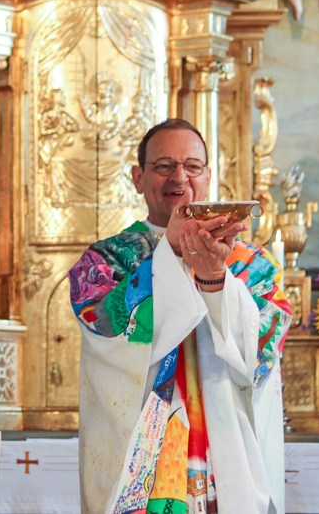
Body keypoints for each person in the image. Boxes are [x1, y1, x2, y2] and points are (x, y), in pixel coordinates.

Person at [69, 118, 292, 514]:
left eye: (192, 166)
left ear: (208, 176)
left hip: (226, 461)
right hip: (143, 461)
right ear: (138, 178)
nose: (179, 177)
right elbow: (107, 329)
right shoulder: (105, 261)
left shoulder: (252, 264)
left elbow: (259, 355)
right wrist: (168, 253)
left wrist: (215, 279)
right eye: (163, 166)